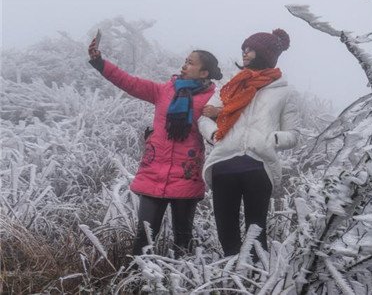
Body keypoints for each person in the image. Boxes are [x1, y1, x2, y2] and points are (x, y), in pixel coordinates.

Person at [88, 37, 222, 256]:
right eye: (185, 61)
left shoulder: (212, 101)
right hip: (154, 173)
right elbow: (129, 82)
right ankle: (136, 275)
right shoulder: (164, 91)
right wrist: (100, 62)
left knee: (183, 240)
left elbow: (227, 122)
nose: (184, 65)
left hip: (186, 175)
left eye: (190, 63)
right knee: (144, 236)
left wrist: (218, 114)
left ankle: (180, 275)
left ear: (204, 73)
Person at [199, 28, 299, 257]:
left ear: (265, 53)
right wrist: (214, 135)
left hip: (258, 167)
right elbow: (204, 117)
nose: (245, 52)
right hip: (223, 163)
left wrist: (271, 139)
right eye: (244, 48)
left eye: (251, 49)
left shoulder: (284, 91)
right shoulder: (232, 84)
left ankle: (255, 275)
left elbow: (293, 135)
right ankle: (231, 276)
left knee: (256, 237)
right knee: (227, 235)